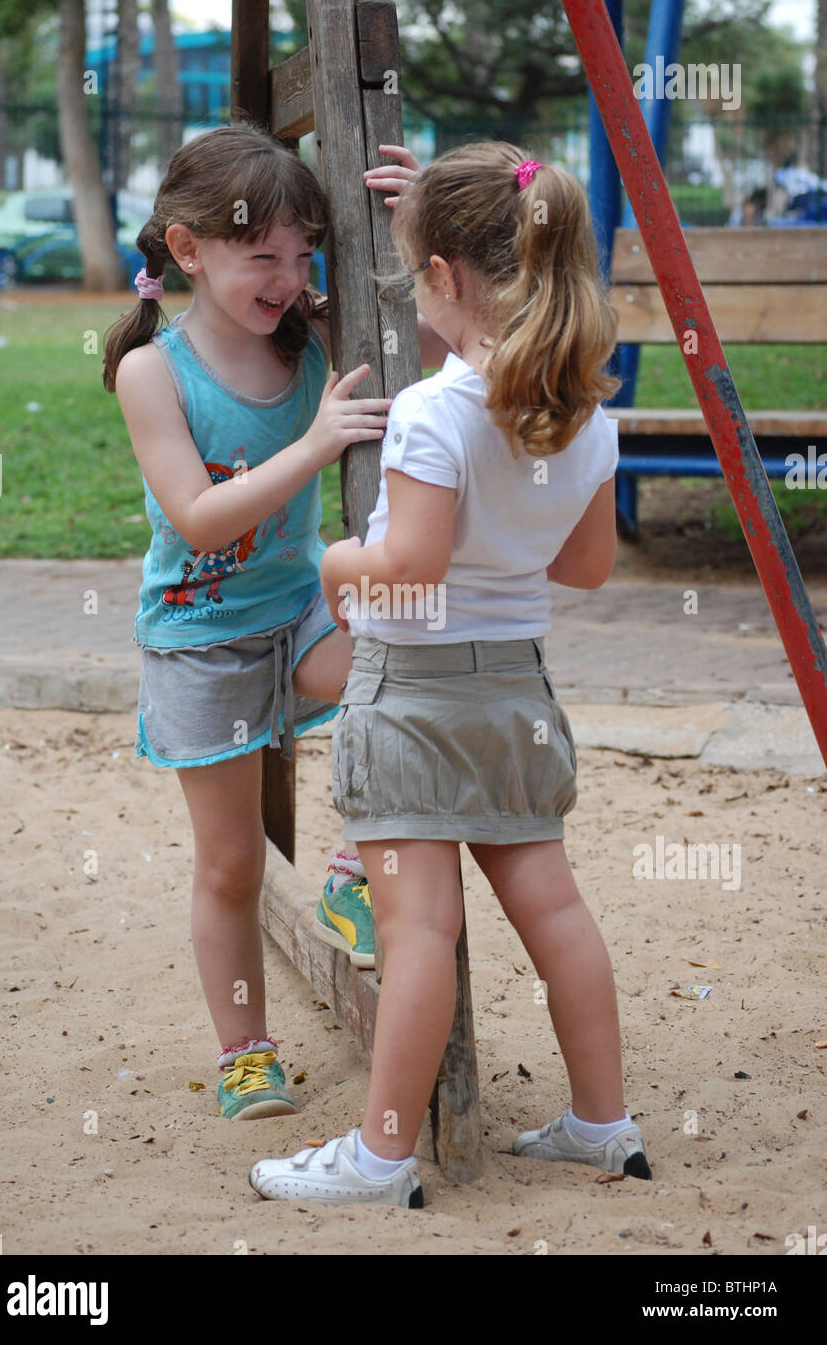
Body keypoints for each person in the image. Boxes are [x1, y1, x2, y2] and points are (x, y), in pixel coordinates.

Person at [249, 142, 652, 1205]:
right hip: (518, 696)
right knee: (556, 912)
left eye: (412, 266)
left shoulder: (436, 411)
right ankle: (604, 1124)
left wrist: (334, 565)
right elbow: (589, 566)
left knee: (420, 928)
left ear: (441, 280)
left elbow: (409, 575)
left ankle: (381, 1158)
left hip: (416, 700)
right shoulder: (583, 415)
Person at [102, 121, 446, 1121]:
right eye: (264, 256)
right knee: (231, 862)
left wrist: (416, 218)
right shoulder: (152, 372)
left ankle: (349, 868)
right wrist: (315, 440)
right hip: (199, 638)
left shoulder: (309, 336)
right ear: (188, 248)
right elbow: (201, 517)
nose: (289, 278)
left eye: (305, 256)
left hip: (297, 612)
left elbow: (431, 338)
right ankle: (246, 1052)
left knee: (401, 661)